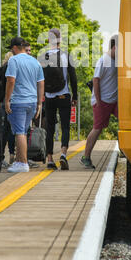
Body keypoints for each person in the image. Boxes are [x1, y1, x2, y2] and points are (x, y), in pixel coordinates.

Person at [39, 28, 77, 171]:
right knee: (65, 126)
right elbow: (73, 78)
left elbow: (40, 79)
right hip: (64, 95)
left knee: (49, 128)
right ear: (60, 40)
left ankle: (49, 159)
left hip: (49, 96)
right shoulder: (66, 56)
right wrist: (75, 96)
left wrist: (41, 95)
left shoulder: (43, 56)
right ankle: (63, 154)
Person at [5, 37, 44, 173]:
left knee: (19, 132)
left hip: (18, 101)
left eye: (11, 48)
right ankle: (20, 160)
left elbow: (11, 81)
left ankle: (23, 163)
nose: (11, 51)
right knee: (24, 131)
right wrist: (39, 103)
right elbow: (41, 83)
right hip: (32, 102)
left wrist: (7, 100)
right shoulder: (35, 62)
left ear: (15, 48)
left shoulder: (13, 60)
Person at [80, 35, 118, 169]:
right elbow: (96, 79)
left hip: (115, 101)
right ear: (114, 47)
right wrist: (98, 99)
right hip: (102, 101)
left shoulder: (116, 60)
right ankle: (86, 157)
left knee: (127, 121)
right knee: (97, 128)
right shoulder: (104, 60)